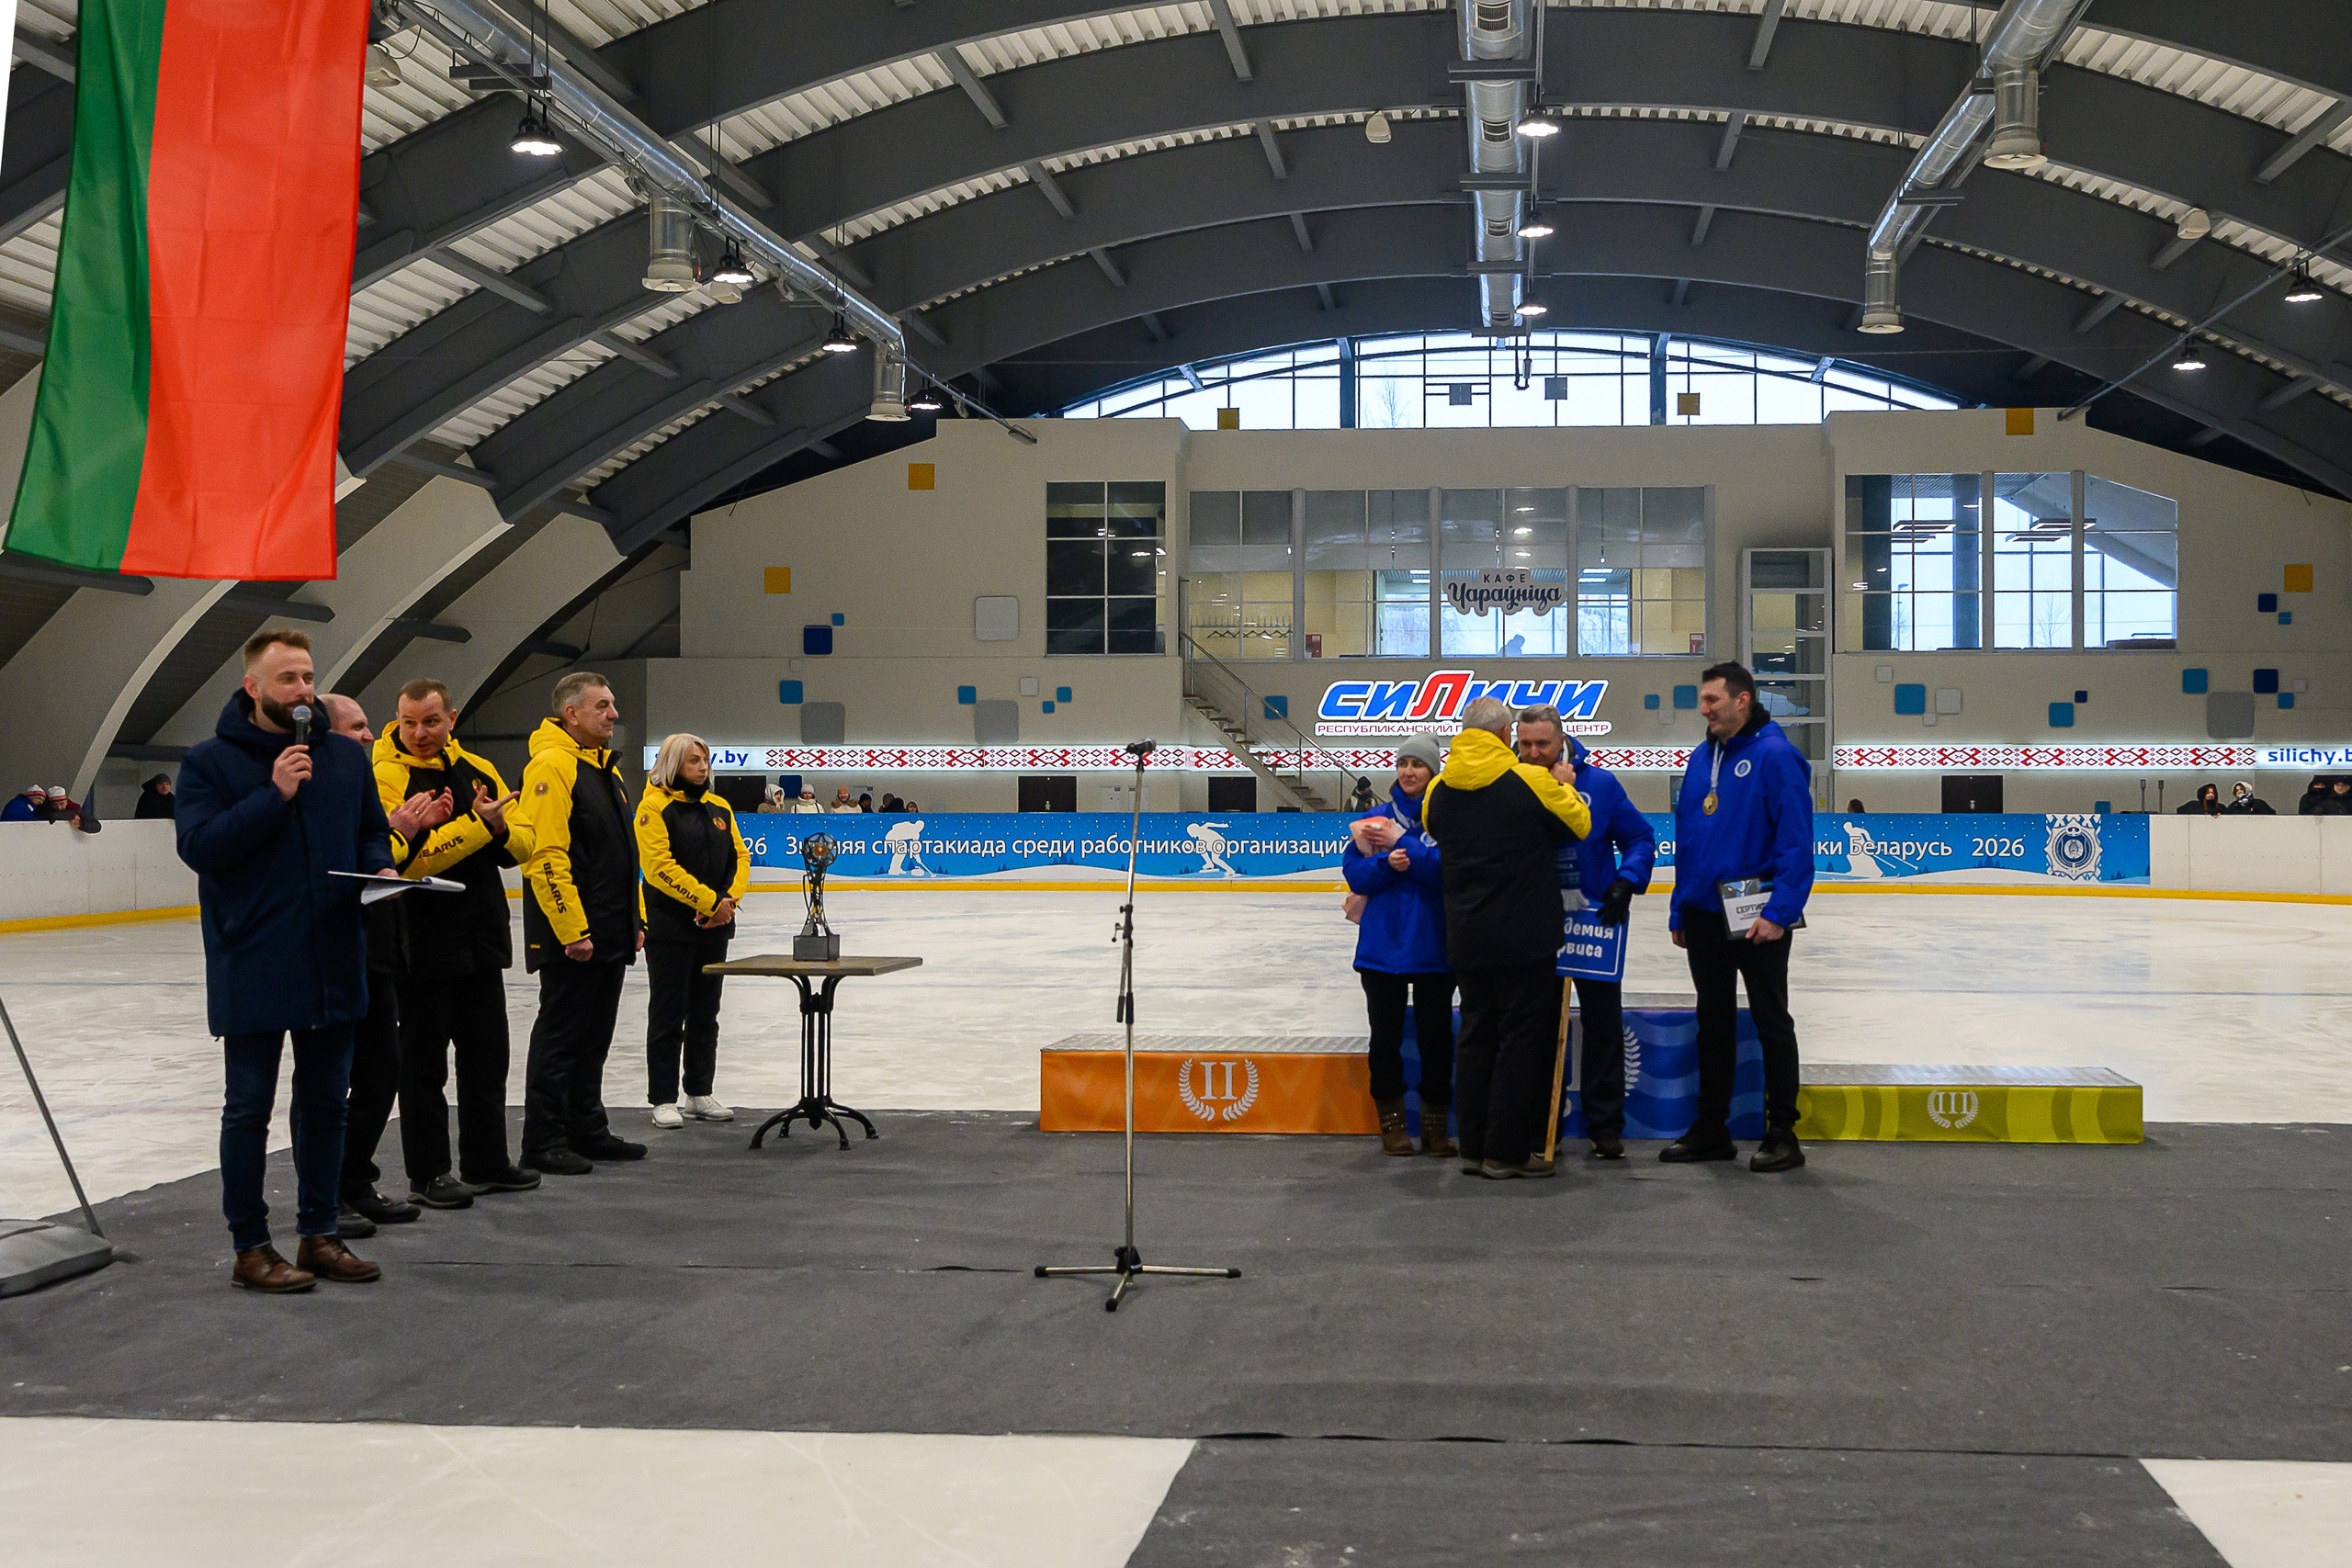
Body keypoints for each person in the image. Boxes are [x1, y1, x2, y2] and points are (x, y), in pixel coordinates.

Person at [175, 629, 392, 1292]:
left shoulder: (345, 758)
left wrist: (381, 864)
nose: (302, 690)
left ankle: (319, 1233)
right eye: (287, 679)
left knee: (327, 1103)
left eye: (308, 676)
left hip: (333, 953)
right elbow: (201, 847)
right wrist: (273, 794)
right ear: (253, 688)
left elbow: (371, 829)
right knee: (248, 1108)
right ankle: (250, 1247)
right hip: (254, 958)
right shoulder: (208, 763)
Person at [375, 677, 543, 1209]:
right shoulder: (384, 774)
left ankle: (486, 1161)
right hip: (419, 944)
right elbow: (406, 862)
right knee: (423, 1067)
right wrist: (477, 826)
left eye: (430, 721)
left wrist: (497, 829)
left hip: (482, 937)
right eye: (408, 722)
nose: (419, 732)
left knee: (487, 1059)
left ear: (451, 718)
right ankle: (428, 1174)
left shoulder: (478, 768)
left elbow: (524, 843)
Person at [1420, 695, 1590, 1179]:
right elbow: (1580, 824)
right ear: (1503, 736)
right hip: (1524, 936)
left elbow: (1434, 829)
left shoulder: (1438, 790)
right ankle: (1506, 1152)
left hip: (1466, 935)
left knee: (1475, 1035)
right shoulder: (1530, 780)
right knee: (1519, 1041)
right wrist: (1566, 786)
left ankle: (1472, 1147)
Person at [1669, 661, 1815, 1174]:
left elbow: (1796, 843)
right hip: (1704, 913)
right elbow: (1688, 837)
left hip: (1757, 915)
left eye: (1712, 700)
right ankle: (1712, 1129)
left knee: (1772, 1021)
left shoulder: (1777, 756)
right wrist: (1680, 904)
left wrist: (1780, 912)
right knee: (1712, 1023)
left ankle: (1783, 1134)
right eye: (1702, 700)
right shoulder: (1701, 757)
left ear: (1742, 700)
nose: (1703, 709)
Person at [320, 694, 452, 1236]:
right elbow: (335, 862)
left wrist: (399, 837)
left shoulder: (359, 784)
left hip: (378, 950)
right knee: (329, 1081)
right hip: (334, 951)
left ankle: (355, 1181)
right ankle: (323, 1195)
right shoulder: (317, 789)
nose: (371, 735)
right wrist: (399, 833)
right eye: (357, 727)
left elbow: (379, 851)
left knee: (381, 1073)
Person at [516, 671, 647, 1175]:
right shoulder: (552, 766)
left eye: (611, 704)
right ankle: (543, 1141)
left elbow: (621, 854)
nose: (614, 714)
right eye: (602, 706)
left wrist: (634, 919)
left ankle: (586, 1129)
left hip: (609, 931)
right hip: (575, 936)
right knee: (561, 1038)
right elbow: (546, 856)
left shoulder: (602, 768)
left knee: (594, 1038)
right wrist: (572, 929)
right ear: (571, 714)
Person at [1514, 709, 1657, 1162]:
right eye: (1525, 744)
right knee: (1536, 1028)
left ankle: (1605, 1125)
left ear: (1562, 740)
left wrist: (1626, 881)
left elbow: (1640, 838)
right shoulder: (1511, 784)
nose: (1534, 753)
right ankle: (1542, 1126)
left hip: (1594, 925)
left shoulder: (1601, 784)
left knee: (1603, 1024)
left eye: (1543, 744)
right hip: (1534, 924)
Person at [1340, 734, 1454, 1158]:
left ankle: (1435, 1125)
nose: (1409, 771)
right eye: (1403, 763)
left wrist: (1403, 848)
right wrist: (1386, 864)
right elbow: (1356, 876)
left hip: (1434, 947)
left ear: (1433, 771)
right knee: (1384, 1039)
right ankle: (1391, 1123)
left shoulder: (1446, 818)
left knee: (1436, 1041)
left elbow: (1449, 873)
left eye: (1418, 764)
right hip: (1382, 948)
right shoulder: (1374, 819)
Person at [637, 734, 750, 1130]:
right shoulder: (654, 808)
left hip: (715, 927)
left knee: (706, 1013)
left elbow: (740, 856)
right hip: (670, 928)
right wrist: (708, 902)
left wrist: (727, 902)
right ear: (672, 764)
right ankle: (663, 1098)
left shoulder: (720, 807)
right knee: (668, 1014)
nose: (702, 768)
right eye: (693, 761)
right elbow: (659, 868)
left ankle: (699, 1091)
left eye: (705, 761)